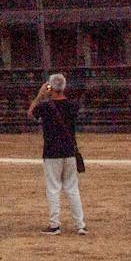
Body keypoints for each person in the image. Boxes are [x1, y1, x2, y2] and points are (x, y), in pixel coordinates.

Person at [28, 73, 87, 236]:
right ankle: (80, 224)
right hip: (69, 151)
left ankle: (55, 224)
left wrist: (40, 95)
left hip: (52, 152)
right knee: (72, 189)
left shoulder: (45, 107)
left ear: (51, 88)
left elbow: (30, 113)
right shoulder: (73, 105)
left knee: (53, 188)